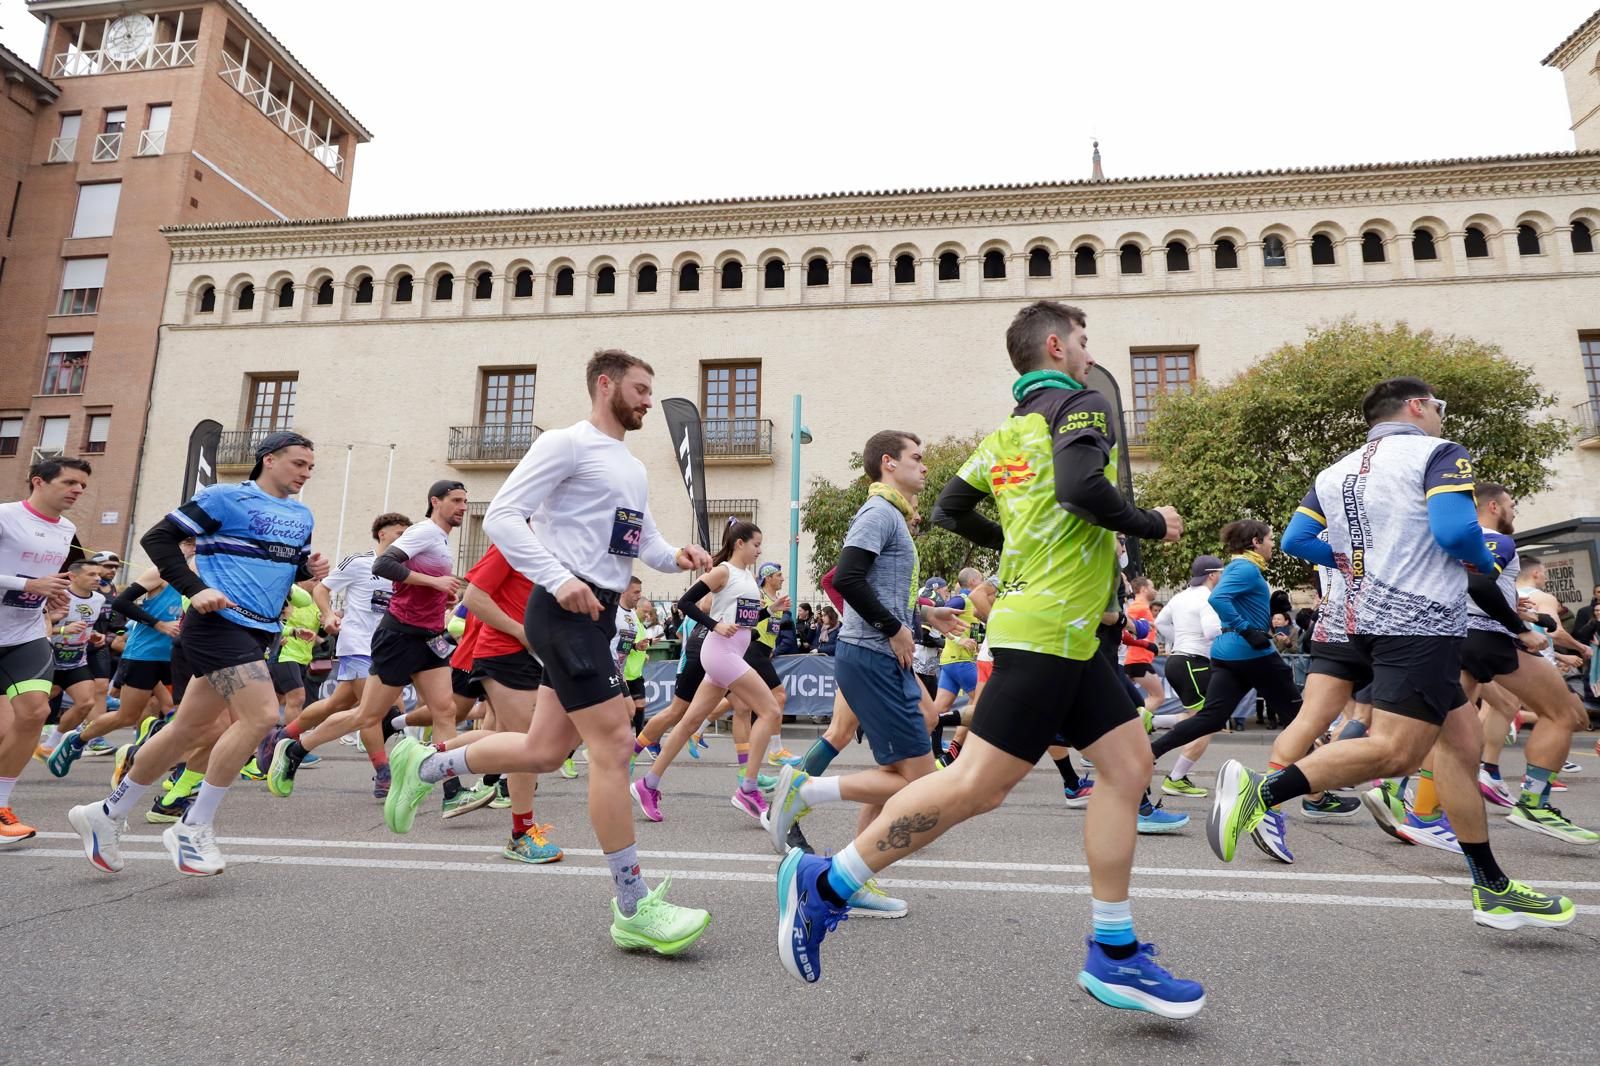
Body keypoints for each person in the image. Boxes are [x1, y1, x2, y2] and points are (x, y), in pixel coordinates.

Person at [775, 300, 1205, 1018]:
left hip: (1063, 632)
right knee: (975, 785)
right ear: (1058, 345)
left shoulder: (1006, 435)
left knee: (1129, 769)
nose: (1089, 354)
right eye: (1084, 342)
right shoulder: (1083, 403)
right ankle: (827, 884)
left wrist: (1019, 542)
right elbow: (1079, 488)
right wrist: (1149, 524)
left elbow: (949, 507)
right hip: (1048, 630)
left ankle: (1115, 953)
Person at [1212, 378, 1576, 930]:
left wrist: (1363, 561)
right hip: (1419, 622)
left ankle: (1492, 886)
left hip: (1362, 619)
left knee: (1461, 743)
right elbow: (1456, 533)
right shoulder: (1439, 454)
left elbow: (1296, 541)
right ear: (1417, 406)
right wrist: (1481, 560)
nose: (1441, 417)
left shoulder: (1334, 472)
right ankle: (1260, 793)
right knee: (1398, 754)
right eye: (1438, 407)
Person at [384, 348, 714, 955]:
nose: (647, 401)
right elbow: (505, 517)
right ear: (605, 385)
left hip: (599, 616)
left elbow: (634, 542)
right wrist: (558, 577)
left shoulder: (631, 467)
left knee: (542, 750)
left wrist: (677, 557)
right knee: (613, 744)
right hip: (563, 611)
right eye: (640, 390)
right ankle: (634, 907)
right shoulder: (565, 444)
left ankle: (424, 765)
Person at [68, 432, 325, 876]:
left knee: (185, 729)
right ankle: (193, 825)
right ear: (269, 459)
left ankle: (105, 814)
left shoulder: (302, 515)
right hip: (217, 626)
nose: (305, 473)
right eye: (298, 463)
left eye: (310, 467)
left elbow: (277, 562)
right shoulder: (225, 498)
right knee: (262, 716)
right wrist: (197, 588)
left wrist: (307, 570)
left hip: (260, 631)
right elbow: (158, 539)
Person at [767, 429, 966, 918]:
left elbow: (879, 589)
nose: (925, 466)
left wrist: (922, 618)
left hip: (883, 654)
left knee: (915, 749)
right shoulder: (878, 513)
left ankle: (853, 875)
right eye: (916, 458)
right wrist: (895, 626)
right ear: (887, 463)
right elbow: (848, 578)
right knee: (921, 788)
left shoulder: (892, 514)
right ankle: (805, 789)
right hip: (873, 655)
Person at [265, 482, 468, 810]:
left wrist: (441, 594)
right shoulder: (424, 532)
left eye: (465, 501)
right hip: (398, 636)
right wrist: (434, 582)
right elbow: (383, 566)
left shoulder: (440, 539)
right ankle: (295, 749)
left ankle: (453, 792)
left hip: (428, 637)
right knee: (367, 715)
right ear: (435, 502)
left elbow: (403, 582)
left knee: (445, 711)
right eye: (456, 501)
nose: (462, 507)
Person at [1452, 486, 1595, 843]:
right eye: (1513, 505)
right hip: (1488, 639)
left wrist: (1517, 610)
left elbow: (1469, 586)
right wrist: (1520, 629)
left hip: (1457, 637)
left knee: (1450, 729)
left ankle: (1413, 803)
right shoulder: (1497, 541)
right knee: (1566, 715)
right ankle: (1534, 803)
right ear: (1494, 506)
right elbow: (1478, 584)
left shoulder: (1453, 542)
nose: (1515, 512)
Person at [635, 523, 787, 821]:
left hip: (729, 652)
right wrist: (714, 624)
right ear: (740, 543)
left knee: (690, 721)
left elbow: (746, 618)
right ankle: (748, 788)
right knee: (770, 709)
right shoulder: (724, 571)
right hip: (720, 651)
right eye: (756, 544)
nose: (759, 550)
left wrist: (771, 609)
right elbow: (685, 603)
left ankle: (647, 783)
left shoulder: (746, 578)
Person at [275, 513, 411, 798]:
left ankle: (283, 737)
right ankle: (383, 773)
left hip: (387, 646)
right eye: (399, 533)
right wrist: (327, 615)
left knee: (338, 702)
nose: (404, 538)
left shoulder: (407, 569)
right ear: (382, 534)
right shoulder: (360, 562)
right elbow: (323, 588)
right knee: (372, 710)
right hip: (358, 643)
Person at [0, 457, 89, 845]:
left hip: (25, 634)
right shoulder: (6, 517)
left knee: (36, 711)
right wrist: (27, 583)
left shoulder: (67, 528)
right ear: (38, 481)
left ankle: (0, 808)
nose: (77, 490)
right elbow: (29, 579)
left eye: (83, 485)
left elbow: (45, 583)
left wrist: (52, 599)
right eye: (70, 482)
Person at [1149, 555, 1224, 798]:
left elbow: (1160, 621)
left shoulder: (1180, 596)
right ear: (1212, 575)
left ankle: (1153, 722)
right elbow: (1212, 631)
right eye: (1221, 572)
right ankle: (1176, 778)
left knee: (1196, 717)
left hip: (1177, 661)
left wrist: (1178, 639)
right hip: (1194, 662)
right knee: (1207, 723)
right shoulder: (1208, 598)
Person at [38, 560, 108, 771]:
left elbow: (86, 625)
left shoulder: (99, 599)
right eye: (91, 574)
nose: (98, 578)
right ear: (73, 577)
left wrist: (93, 635)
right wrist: (61, 631)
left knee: (86, 702)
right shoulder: (57, 596)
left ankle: (50, 745)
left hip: (76, 660)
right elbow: (39, 625)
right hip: (47, 658)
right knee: (34, 707)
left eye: (98, 574)